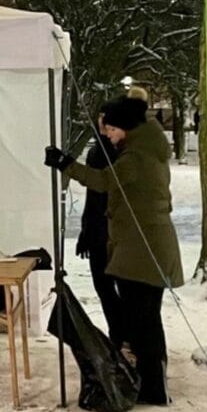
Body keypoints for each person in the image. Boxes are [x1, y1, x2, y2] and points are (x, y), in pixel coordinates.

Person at [44, 93, 183, 406]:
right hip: (144, 247)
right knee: (144, 318)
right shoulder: (144, 147)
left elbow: (103, 182)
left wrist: (65, 164)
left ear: (126, 128)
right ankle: (150, 383)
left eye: (111, 129)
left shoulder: (136, 158)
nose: (106, 133)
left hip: (143, 249)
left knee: (143, 320)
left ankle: (152, 387)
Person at [74, 108, 122, 348]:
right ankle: (118, 333)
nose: (103, 123)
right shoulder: (96, 151)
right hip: (97, 228)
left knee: (115, 288)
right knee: (103, 287)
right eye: (101, 118)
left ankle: (122, 335)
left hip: (114, 231)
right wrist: (86, 231)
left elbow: (102, 187)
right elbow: (92, 197)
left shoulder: (119, 151)